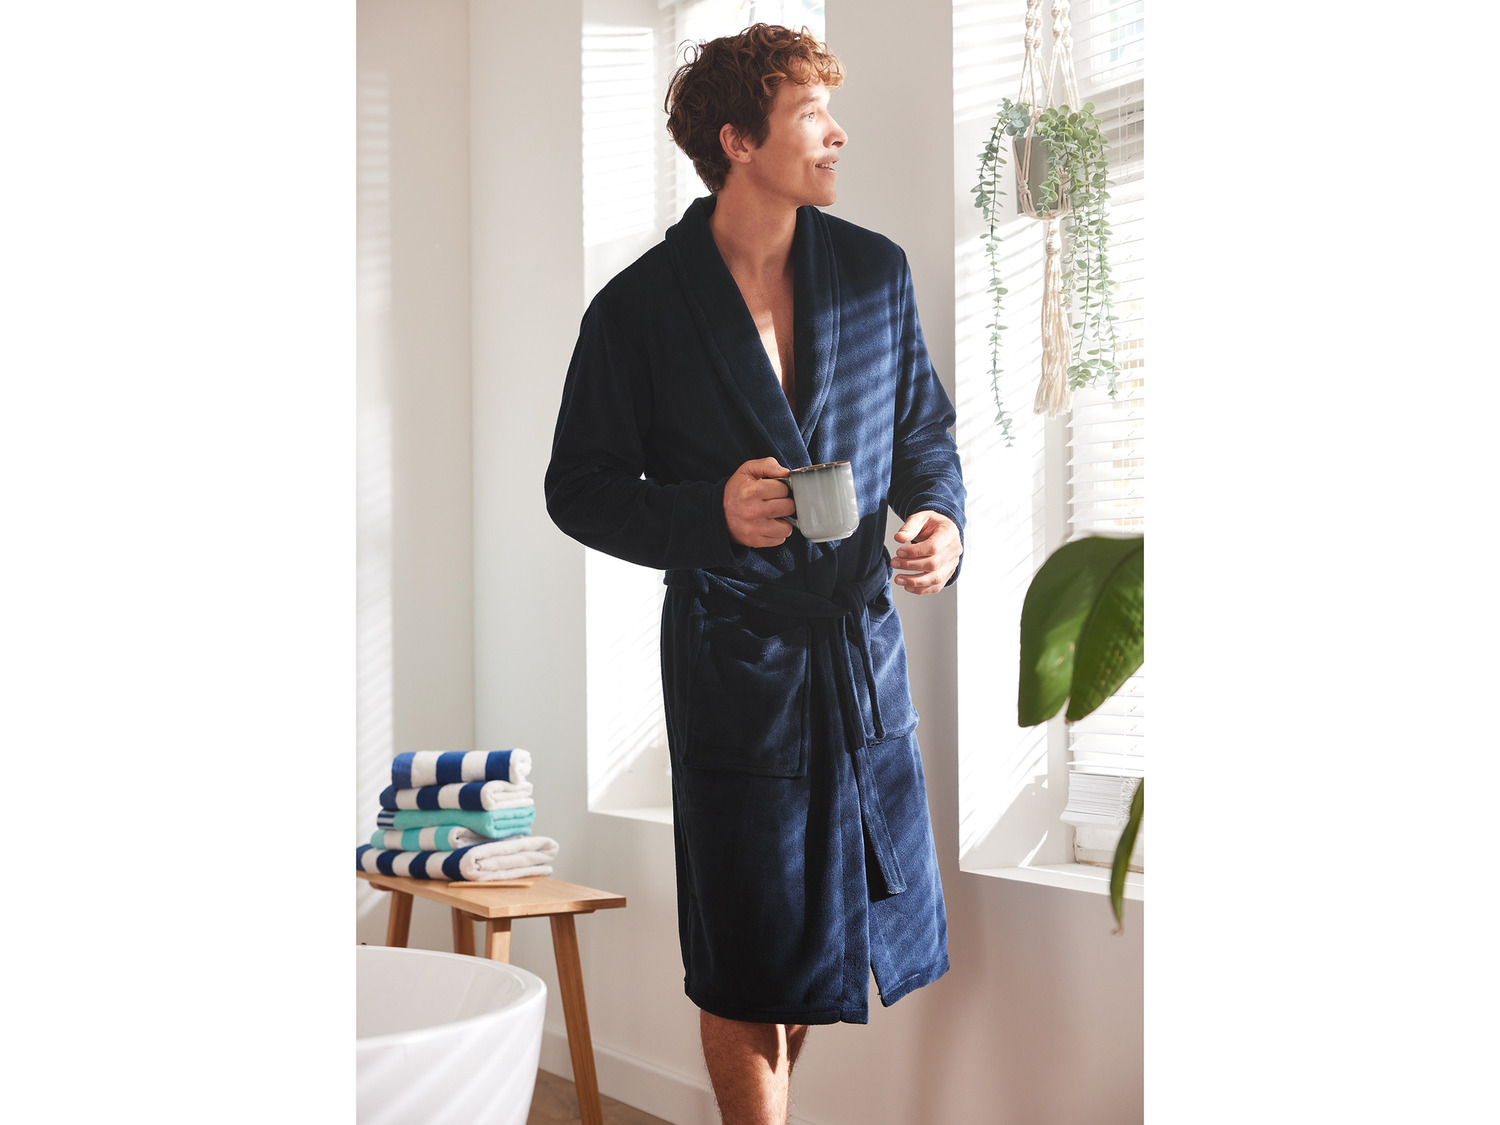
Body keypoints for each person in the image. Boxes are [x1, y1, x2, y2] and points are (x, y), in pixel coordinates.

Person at [544, 24, 966, 1125]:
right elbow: (577, 486)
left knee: (818, 952)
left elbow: (924, 434)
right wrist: (709, 513)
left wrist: (939, 523)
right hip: (735, 664)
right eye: (810, 115)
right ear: (738, 141)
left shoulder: (872, 272)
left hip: (857, 656)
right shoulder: (639, 309)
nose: (837, 133)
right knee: (746, 956)